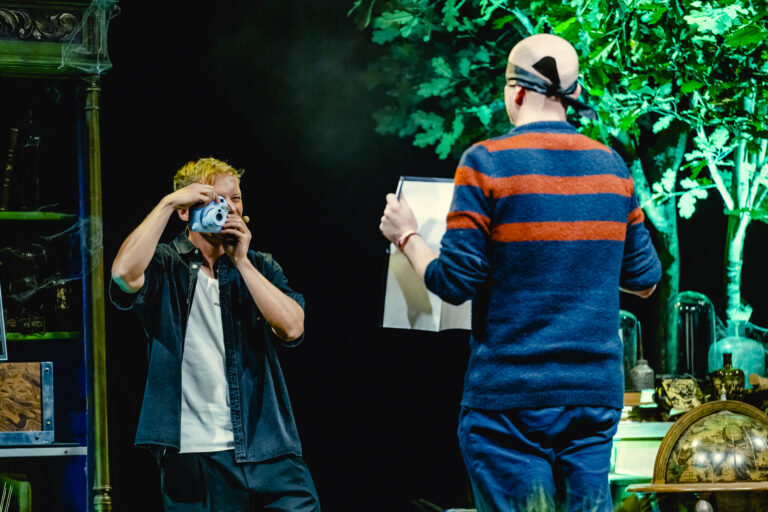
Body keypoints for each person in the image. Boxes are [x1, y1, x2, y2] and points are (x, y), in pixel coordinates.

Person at [379, 33, 661, 511]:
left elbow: (454, 282)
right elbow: (645, 280)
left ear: (515, 91)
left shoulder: (487, 162)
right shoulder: (612, 167)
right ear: (573, 94)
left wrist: (407, 236)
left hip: (510, 400)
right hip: (593, 399)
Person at [110, 157, 320, 511]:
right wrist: (167, 203)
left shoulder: (260, 265)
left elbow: (292, 327)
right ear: (185, 210)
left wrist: (242, 262)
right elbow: (123, 274)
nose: (229, 207)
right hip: (195, 454)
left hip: (268, 447)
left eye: (235, 199)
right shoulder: (164, 263)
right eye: (214, 199)